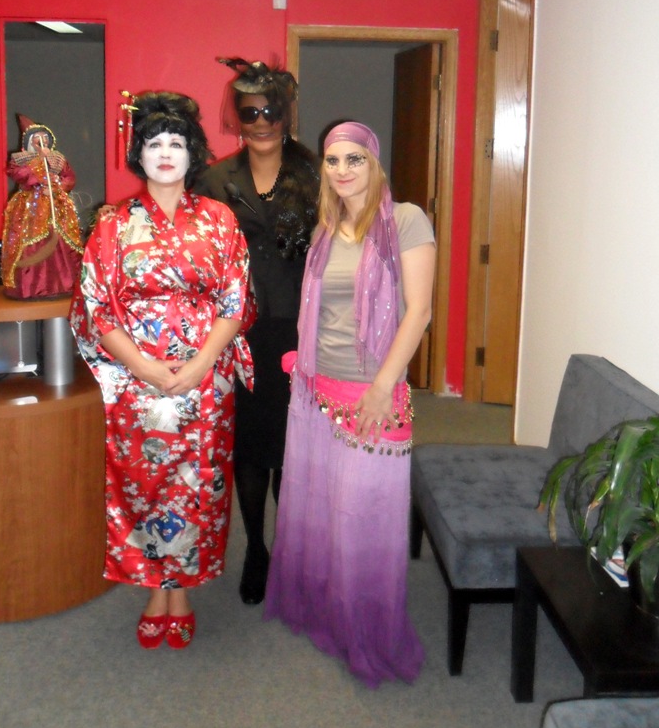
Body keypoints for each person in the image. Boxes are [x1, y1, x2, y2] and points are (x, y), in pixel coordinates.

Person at [69, 92, 255, 650]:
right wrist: (145, 367)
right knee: (146, 483)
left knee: (198, 484)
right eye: (154, 144)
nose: (166, 153)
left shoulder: (220, 220)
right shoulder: (112, 224)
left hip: (206, 378)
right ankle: (156, 589)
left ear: (193, 153)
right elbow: (96, 308)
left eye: (177, 143)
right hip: (138, 378)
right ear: (139, 155)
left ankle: (184, 591)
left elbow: (235, 300)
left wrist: (200, 363)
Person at [264, 121, 435, 687]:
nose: (342, 170)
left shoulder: (405, 220)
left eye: (354, 159)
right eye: (333, 160)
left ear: (374, 162)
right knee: (324, 508)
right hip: (320, 386)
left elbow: (419, 311)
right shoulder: (325, 228)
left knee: (366, 518)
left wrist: (384, 386)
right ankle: (328, 612)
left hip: (373, 389)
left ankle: (366, 628)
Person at [194, 58, 319, 605]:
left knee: (293, 445)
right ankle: (257, 550)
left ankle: (290, 547)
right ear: (238, 118)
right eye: (250, 113)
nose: (262, 122)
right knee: (248, 445)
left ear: (286, 114)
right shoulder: (214, 179)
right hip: (238, 330)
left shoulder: (316, 174)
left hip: (302, 328)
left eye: (271, 111)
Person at [1, 114, 84, 298]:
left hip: (57, 205)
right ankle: (32, 286)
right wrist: (39, 165)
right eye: (37, 138)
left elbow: (70, 178)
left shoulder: (58, 159)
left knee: (61, 241)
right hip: (30, 207)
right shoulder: (21, 159)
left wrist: (57, 186)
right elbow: (20, 175)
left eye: (45, 138)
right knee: (32, 242)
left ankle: (63, 283)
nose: (42, 141)